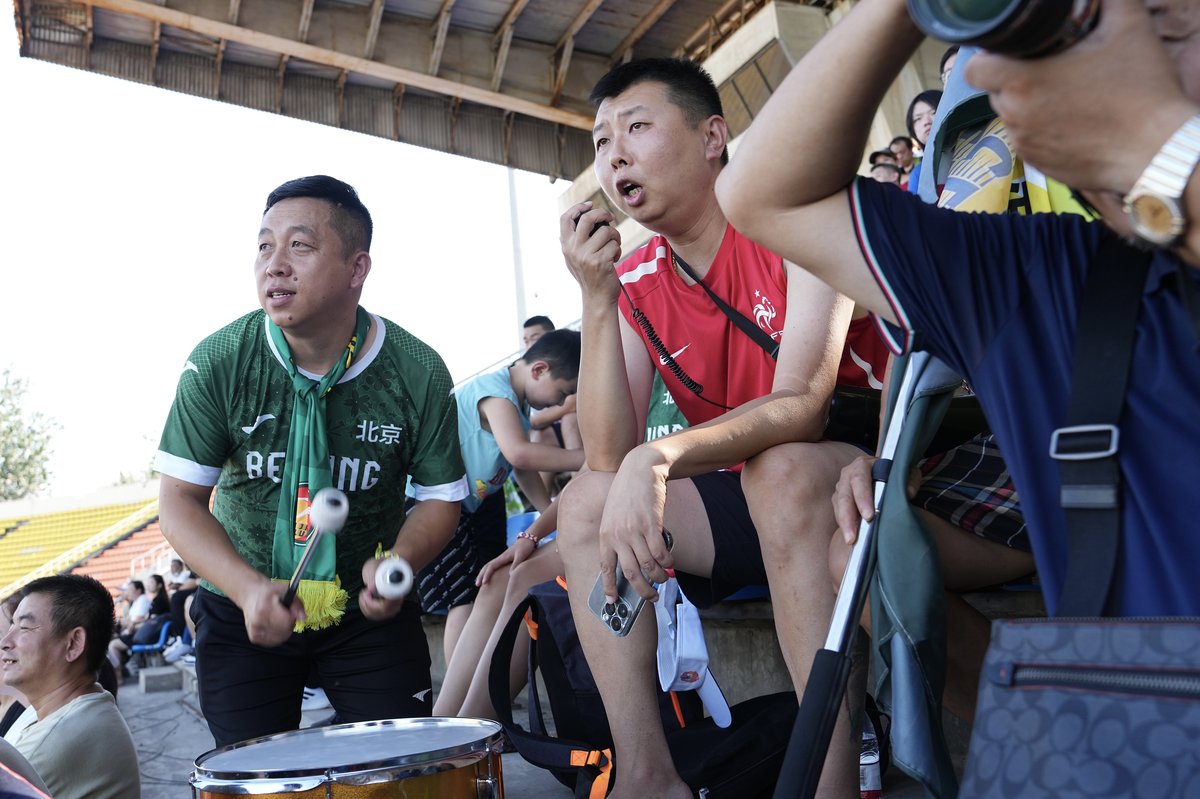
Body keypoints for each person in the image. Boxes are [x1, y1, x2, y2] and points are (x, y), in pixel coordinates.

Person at [716, 0, 1200, 622]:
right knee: (867, 556)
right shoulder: (1043, 280)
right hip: (1148, 708)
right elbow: (763, 194)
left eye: (1167, 24)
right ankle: (1019, 718)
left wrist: (1157, 155)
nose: (1128, 65)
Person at [557, 57, 881, 799]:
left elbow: (803, 402)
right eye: (602, 141)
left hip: (854, 475)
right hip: (745, 498)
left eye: (636, 127)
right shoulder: (636, 279)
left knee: (784, 469)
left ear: (713, 136)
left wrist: (660, 455)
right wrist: (597, 300)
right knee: (584, 502)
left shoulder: (791, 218)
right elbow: (606, 453)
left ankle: (826, 787)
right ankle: (647, 776)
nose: (615, 155)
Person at [153, 174, 467, 747]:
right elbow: (178, 501)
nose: (274, 264)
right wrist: (248, 590)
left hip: (366, 617)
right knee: (252, 779)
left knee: (396, 775)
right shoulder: (219, 362)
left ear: (357, 269)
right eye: (264, 245)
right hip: (239, 610)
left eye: (299, 245)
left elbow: (441, 499)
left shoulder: (418, 371)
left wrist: (400, 561)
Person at [418, 328, 584, 673]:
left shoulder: (516, 404)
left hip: (475, 506)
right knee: (463, 598)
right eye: (563, 392)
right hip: (439, 504)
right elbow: (520, 454)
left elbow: (518, 468)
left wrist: (547, 511)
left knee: (484, 586)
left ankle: (478, 677)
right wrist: (587, 459)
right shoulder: (494, 391)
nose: (558, 403)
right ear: (539, 370)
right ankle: (458, 687)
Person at [1, 575, 140, 798]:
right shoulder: (83, 709)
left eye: (25, 627)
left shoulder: (55, 739)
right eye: (11, 626)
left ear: (74, 644)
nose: (5, 642)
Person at [523, 316, 583, 498]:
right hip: (555, 434)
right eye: (526, 340)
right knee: (541, 435)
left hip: (583, 425)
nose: (529, 344)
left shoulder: (568, 360)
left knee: (569, 420)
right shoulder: (530, 380)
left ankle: (582, 483)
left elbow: (574, 402)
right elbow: (535, 421)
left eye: (535, 338)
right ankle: (542, 503)